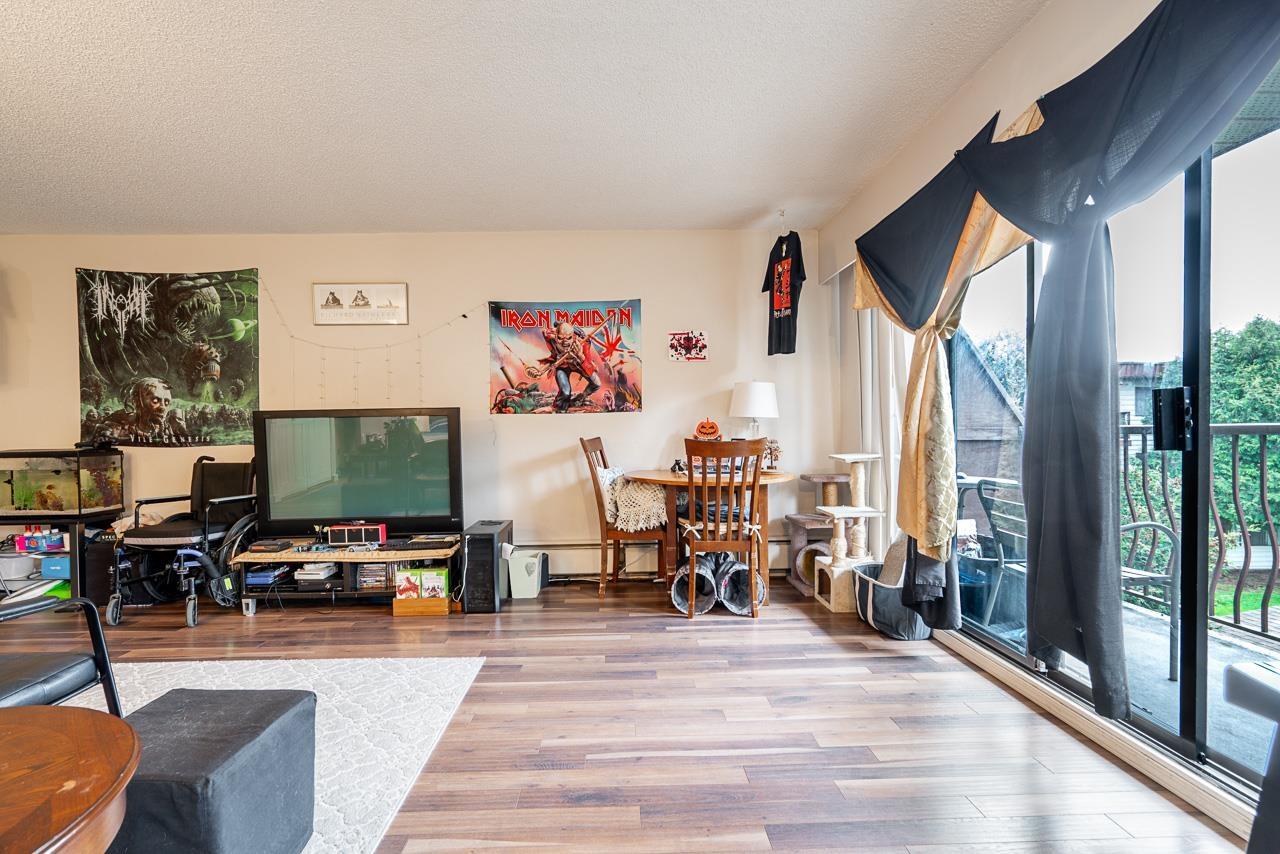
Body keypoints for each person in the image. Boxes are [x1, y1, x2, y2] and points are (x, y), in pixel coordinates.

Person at [528, 322, 603, 412]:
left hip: (578, 364)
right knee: (566, 392)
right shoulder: (550, 338)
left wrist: (580, 356)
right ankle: (559, 407)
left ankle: (581, 397)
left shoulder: (584, 343)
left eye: (568, 338)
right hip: (562, 366)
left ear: (573, 337)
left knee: (596, 383)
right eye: (560, 338)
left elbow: (589, 367)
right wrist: (539, 371)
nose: (565, 342)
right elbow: (553, 358)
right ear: (556, 336)